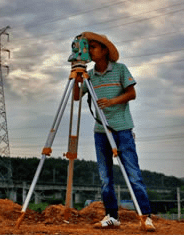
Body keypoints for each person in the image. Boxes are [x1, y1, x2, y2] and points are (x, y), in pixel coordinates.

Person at [74, 31, 155, 231]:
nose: (89, 51)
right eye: (88, 47)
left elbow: (132, 93)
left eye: (93, 47)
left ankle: (145, 216)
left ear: (104, 50)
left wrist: (111, 101)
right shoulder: (90, 75)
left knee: (133, 174)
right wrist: (77, 75)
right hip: (101, 131)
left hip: (122, 129)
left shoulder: (120, 70)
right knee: (105, 177)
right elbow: (76, 97)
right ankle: (111, 216)